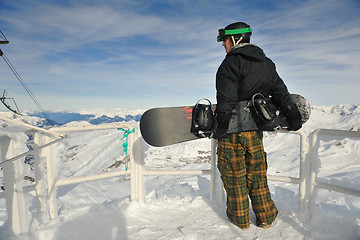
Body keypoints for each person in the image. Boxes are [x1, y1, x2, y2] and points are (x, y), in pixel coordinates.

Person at [213, 21, 302, 229]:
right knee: (257, 175)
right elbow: (281, 93)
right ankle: (266, 218)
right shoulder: (267, 64)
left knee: (234, 176)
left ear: (235, 39)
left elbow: (226, 99)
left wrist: (221, 128)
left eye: (224, 40)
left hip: (233, 133)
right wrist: (294, 117)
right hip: (255, 131)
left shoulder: (230, 63)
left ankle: (241, 220)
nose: (223, 45)